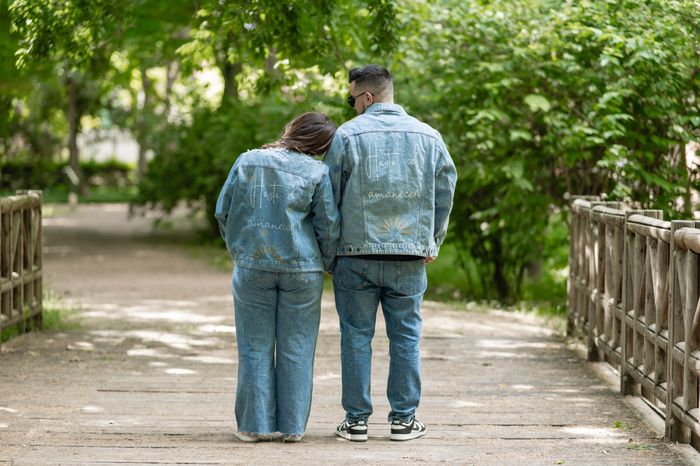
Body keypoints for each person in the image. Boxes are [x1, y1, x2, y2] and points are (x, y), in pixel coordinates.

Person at [324, 65, 457, 442]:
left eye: (351, 99)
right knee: (406, 337)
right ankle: (403, 420)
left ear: (366, 97)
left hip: (355, 255)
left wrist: (329, 253)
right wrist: (432, 239)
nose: (351, 106)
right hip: (410, 257)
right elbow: (446, 190)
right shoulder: (429, 137)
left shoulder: (347, 136)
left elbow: (328, 196)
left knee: (355, 337)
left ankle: (356, 422)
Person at [215, 112, 340, 443]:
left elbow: (223, 210)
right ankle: (293, 427)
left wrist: (239, 248)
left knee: (253, 346)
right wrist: (328, 262)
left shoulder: (248, 160)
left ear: (292, 129)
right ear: (322, 145)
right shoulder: (319, 171)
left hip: (252, 265)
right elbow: (328, 224)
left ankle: (251, 427)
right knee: (297, 346)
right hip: (303, 269)